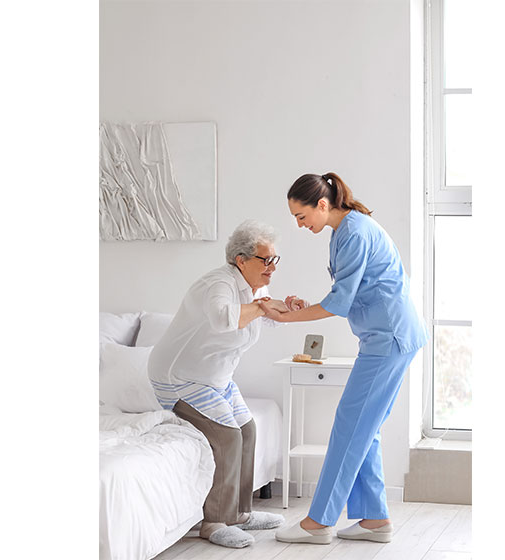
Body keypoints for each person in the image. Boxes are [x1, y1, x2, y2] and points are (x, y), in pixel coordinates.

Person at [265, 172, 428, 545]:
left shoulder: (353, 231)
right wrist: (303, 308)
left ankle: (318, 522)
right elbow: (346, 294)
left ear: (322, 205)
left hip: (389, 337)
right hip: (384, 337)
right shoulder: (345, 231)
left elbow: (338, 304)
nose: (299, 224)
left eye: (302, 217)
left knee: (349, 426)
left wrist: (287, 317)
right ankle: (374, 519)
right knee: (362, 428)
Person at [147, 220, 305, 549]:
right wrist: (263, 306)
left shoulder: (253, 290)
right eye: (266, 260)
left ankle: (240, 514)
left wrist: (284, 309)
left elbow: (261, 317)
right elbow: (223, 317)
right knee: (228, 437)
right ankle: (214, 521)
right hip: (179, 378)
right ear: (241, 259)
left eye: (275, 259)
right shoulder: (217, 284)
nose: (272, 268)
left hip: (215, 377)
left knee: (247, 428)